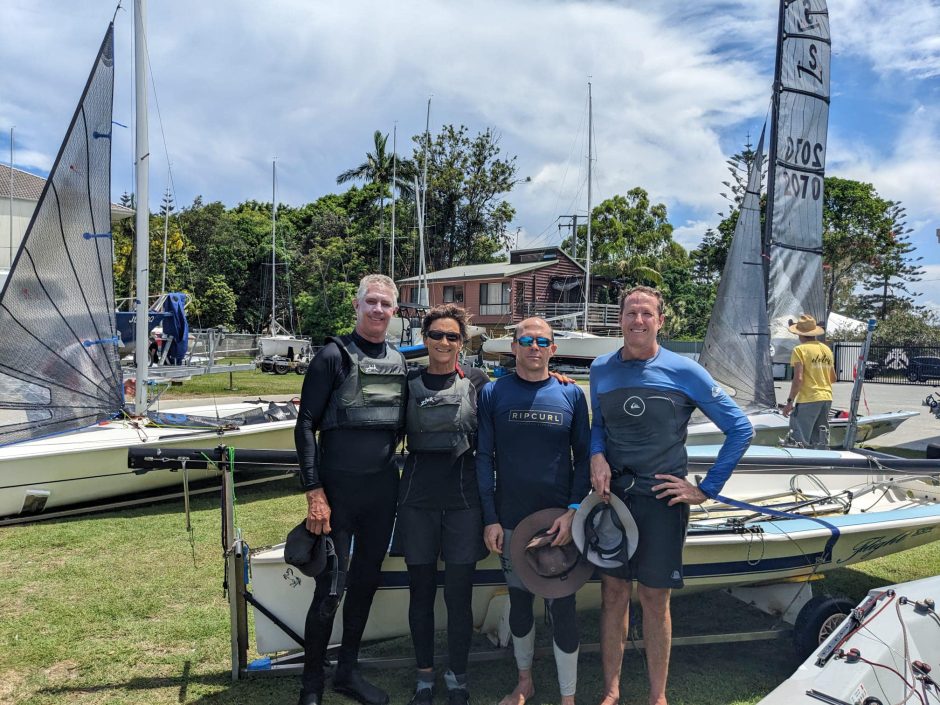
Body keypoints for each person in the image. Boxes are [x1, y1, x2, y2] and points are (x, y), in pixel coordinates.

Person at [589, 286, 752, 705]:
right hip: (615, 502)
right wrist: (597, 456)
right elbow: (598, 427)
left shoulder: (685, 371)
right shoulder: (601, 370)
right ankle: (611, 690)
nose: (637, 321)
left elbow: (740, 429)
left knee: (654, 598)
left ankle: (657, 696)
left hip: (662, 501)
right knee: (613, 594)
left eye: (646, 314)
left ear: (660, 321)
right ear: (620, 319)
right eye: (630, 313)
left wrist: (705, 489)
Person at [294, 273, 406, 705]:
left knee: (365, 585)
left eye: (386, 304)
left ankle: (347, 674)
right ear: (357, 306)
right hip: (336, 495)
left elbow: (452, 382)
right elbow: (305, 424)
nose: (378, 310)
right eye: (371, 302)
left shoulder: (398, 363)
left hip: (382, 494)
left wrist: (555, 377)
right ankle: (311, 686)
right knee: (330, 591)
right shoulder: (332, 356)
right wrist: (314, 491)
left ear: (394, 313)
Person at [476, 316, 591, 705]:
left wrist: (574, 509)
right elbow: (483, 457)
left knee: (564, 609)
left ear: (553, 350)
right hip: (512, 521)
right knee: (520, 604)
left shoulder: (572, 395)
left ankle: (568, 696)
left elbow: (584, 458)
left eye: (542, 341)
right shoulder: (494, 392)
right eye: (526, 340)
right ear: (514, 347)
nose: (534, 346)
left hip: (560, 521)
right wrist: (490, 516)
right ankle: (524, 681)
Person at [398, 304, 490, 705]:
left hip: (463, 501)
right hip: (417, 499)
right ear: (425, 339)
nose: (443, 342)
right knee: (420, 593)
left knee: (458, 594)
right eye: (436, 335)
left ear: (462, 341)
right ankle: (424, 674)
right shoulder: (408, 382)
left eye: (452, 336)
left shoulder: (479, 381)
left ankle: (457, 673)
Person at [782, 314, 837, 449]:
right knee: (820, 439)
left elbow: (798, 379)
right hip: (826, 398)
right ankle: (820, 466)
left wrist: (790, 401)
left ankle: (798, 467)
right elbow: (833, 378)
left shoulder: (800, 350)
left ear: (799, 334)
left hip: (808, 399)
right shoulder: (826, 349)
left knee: (799, 439)